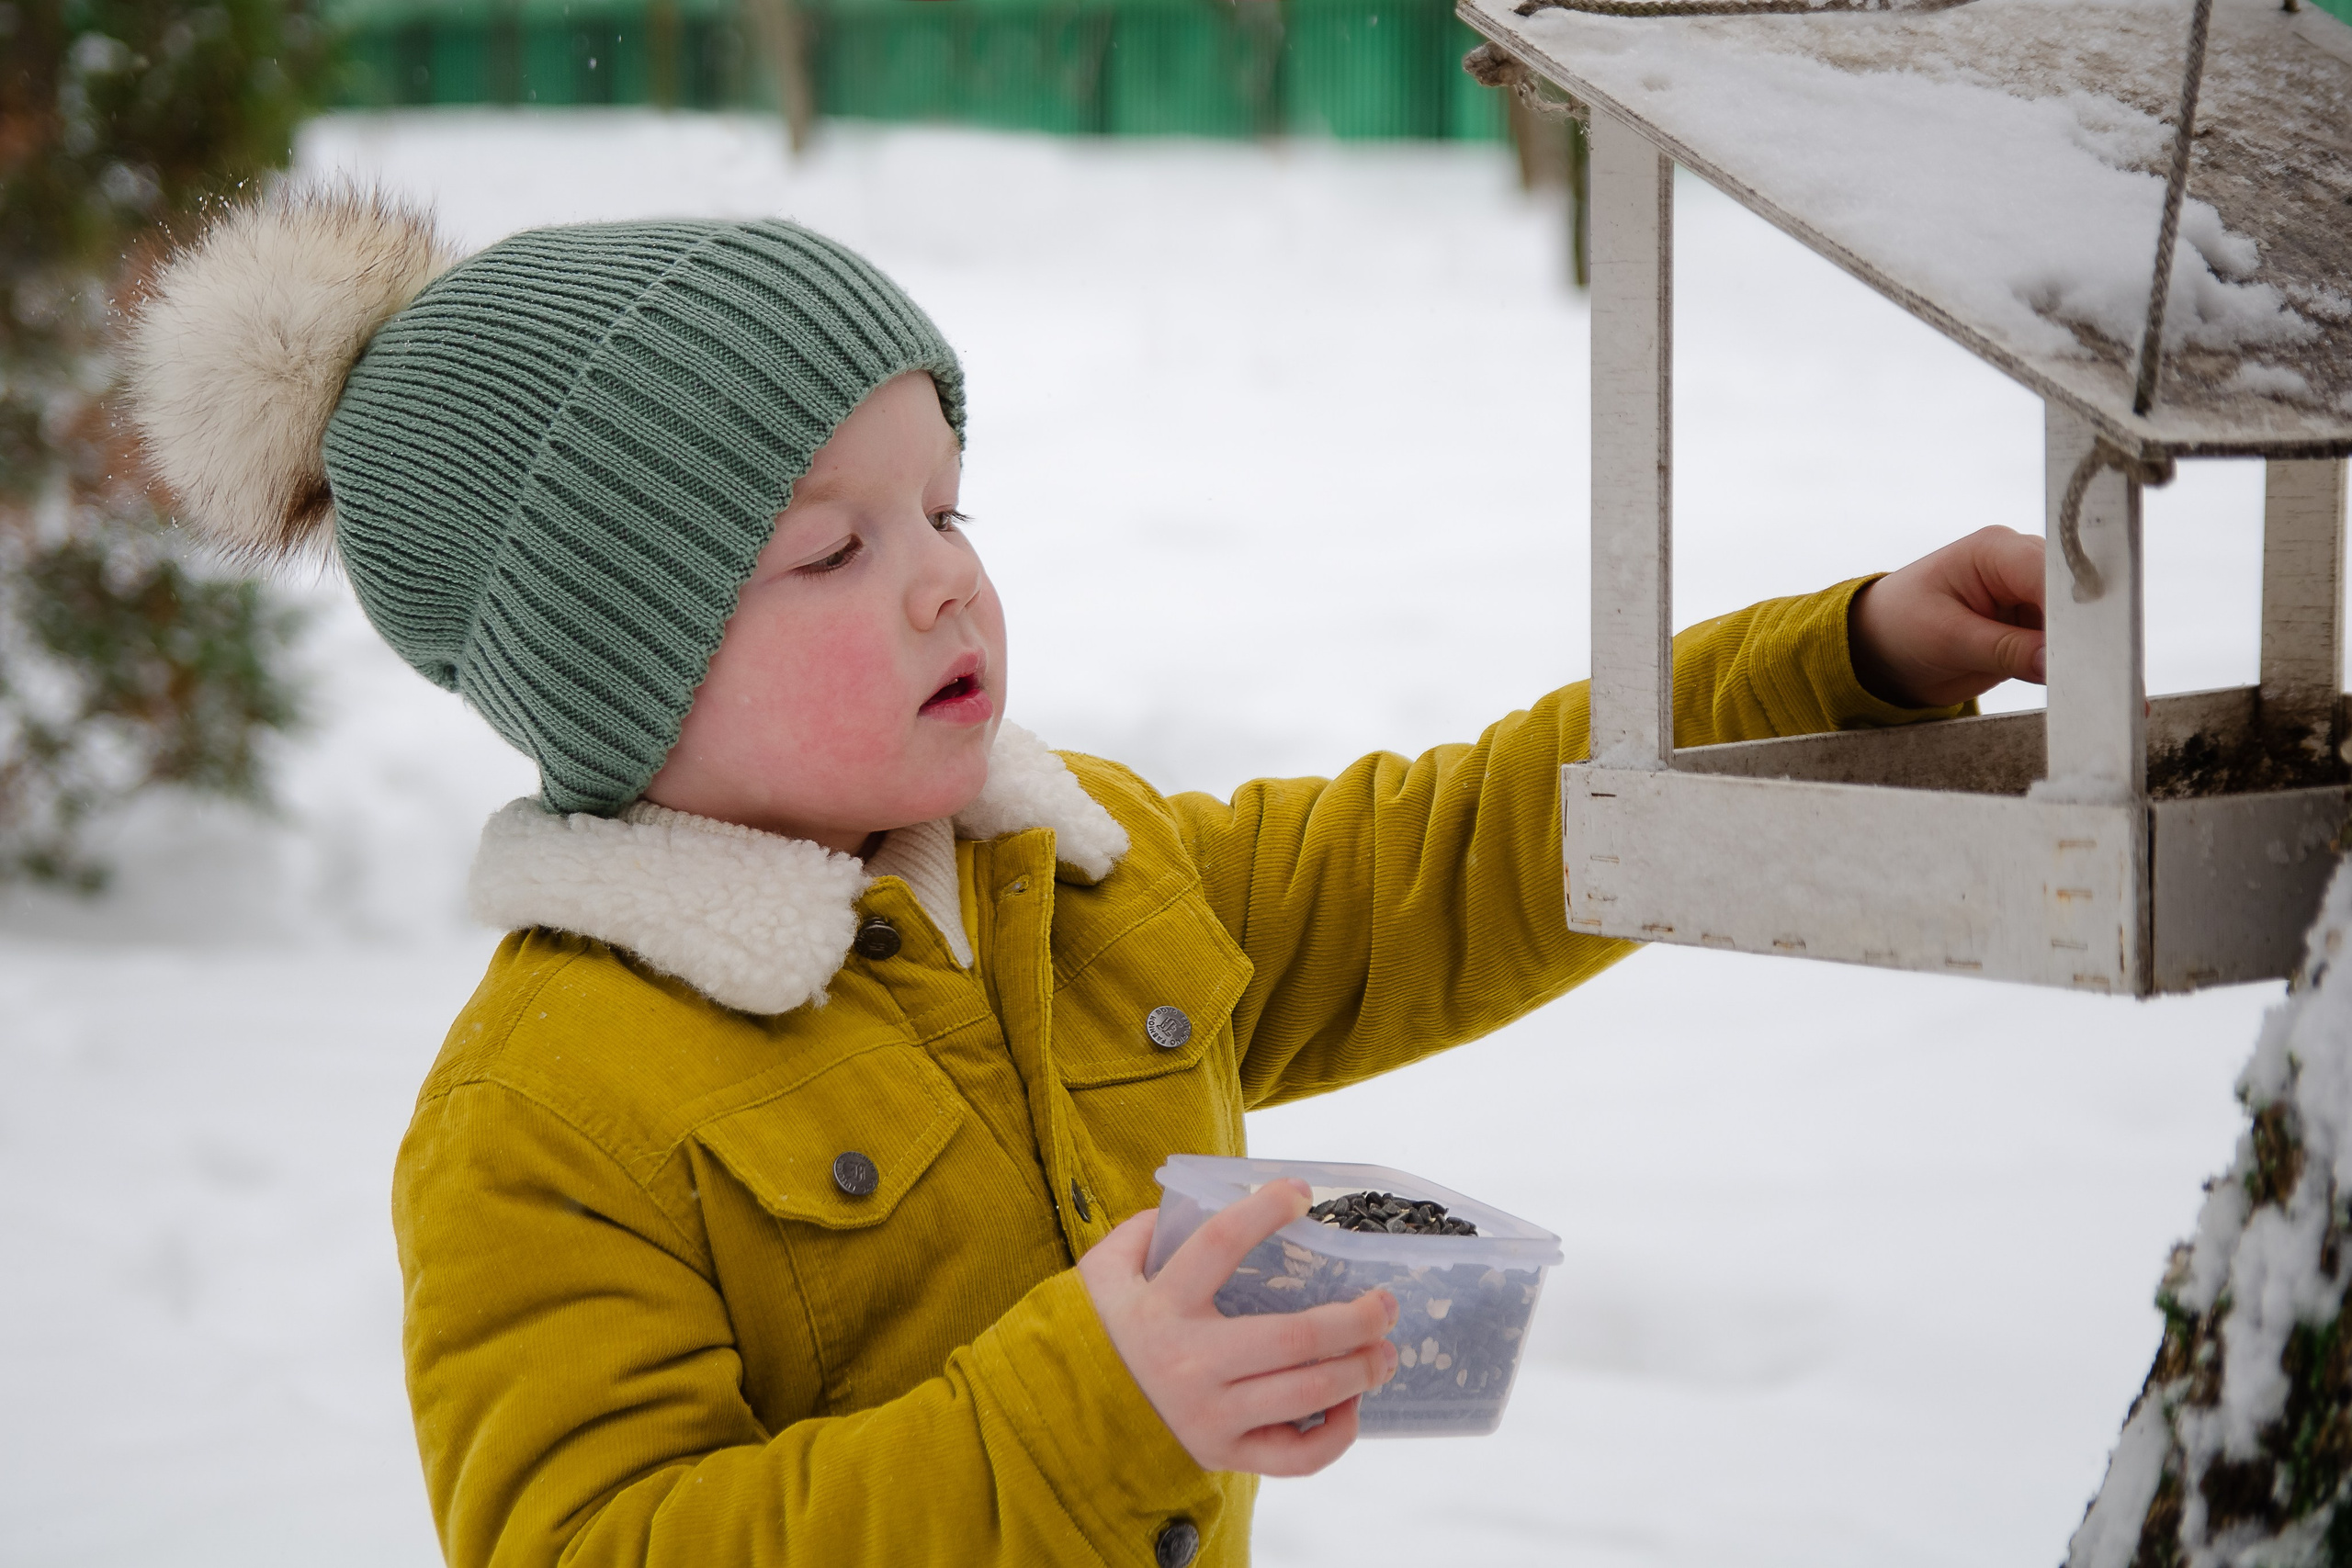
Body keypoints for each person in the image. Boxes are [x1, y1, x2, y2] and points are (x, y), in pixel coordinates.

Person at [123, 188, 2049, 1568]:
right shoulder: (549, 1111)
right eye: (830, 549)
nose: (946, 576)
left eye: (947, 506)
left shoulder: (1072, 873)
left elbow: (1443, 854)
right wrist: (1087, 1411)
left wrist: (1838, 669)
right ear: (618, 666)